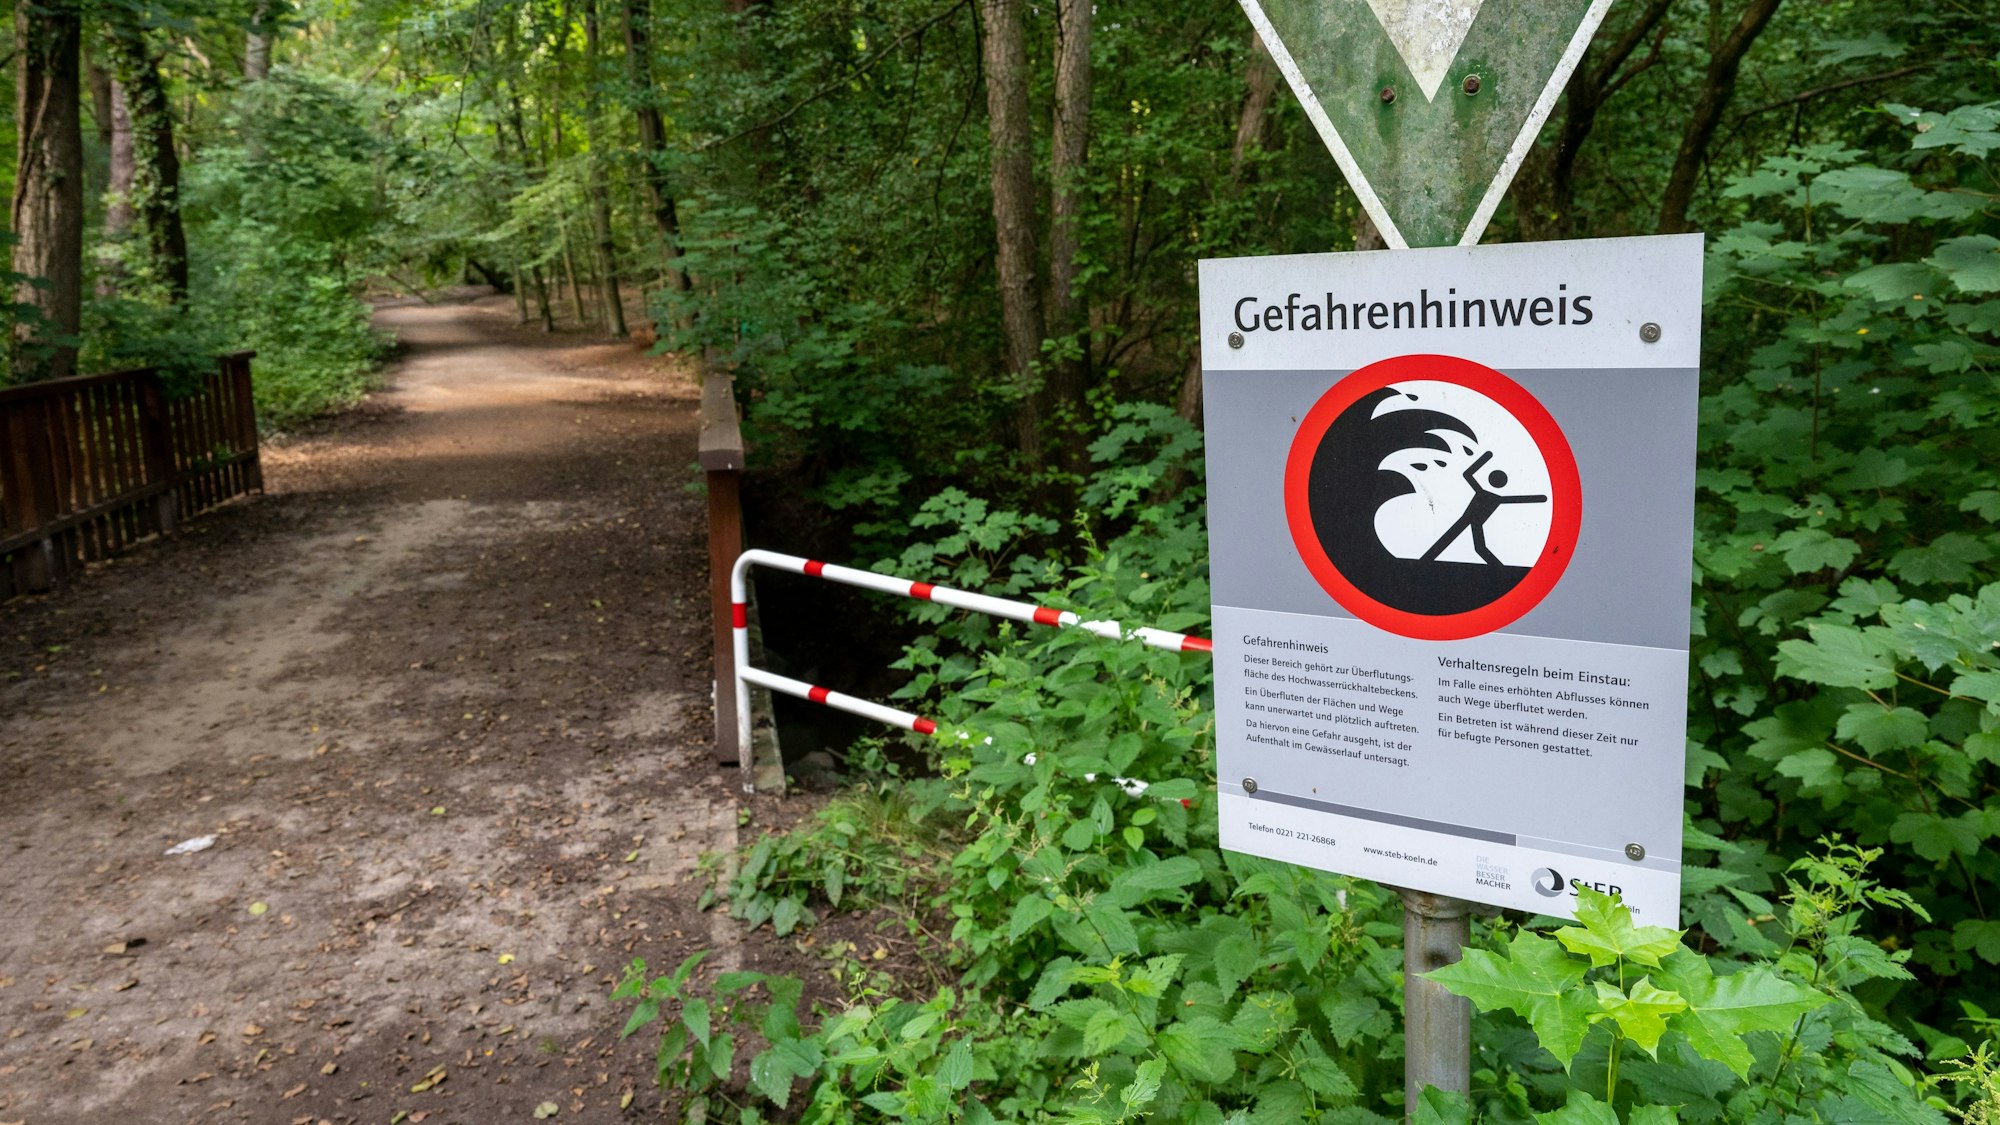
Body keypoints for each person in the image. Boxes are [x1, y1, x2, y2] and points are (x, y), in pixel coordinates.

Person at [1420, 450, 1546, 565]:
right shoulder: (1489, 495)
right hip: (1468, 519)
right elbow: (1467, 474)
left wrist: (1486, 457)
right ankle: (1425, 559)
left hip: (1473, 521)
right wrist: (1485, 457)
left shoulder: (1491, 496)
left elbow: (1468, 474)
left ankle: (1498, 568)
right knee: (1473, 545)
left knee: (1473, 545)